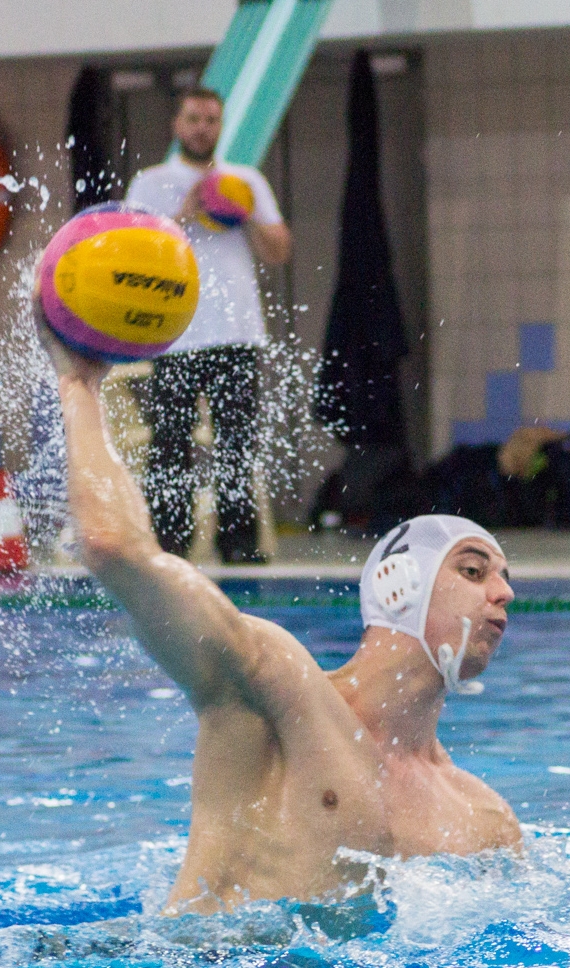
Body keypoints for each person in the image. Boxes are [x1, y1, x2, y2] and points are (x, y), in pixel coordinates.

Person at [47, 332, 521, 914]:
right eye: (474, 571)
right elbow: (114, 548)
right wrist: (80, 386)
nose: (504, 593)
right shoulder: (275, 690)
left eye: (502, 576)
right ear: (401, 586)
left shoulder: (483, 817)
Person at [125, 86, 292, 564]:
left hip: (237, 332)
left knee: (236, 445)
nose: (202, 128)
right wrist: (188, 212)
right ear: (177, 125)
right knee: (169, 445)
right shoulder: (152, 182)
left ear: (221, 127)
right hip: (174, 334)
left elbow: (279, 252)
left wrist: (245, 217)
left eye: (211, 120)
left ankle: (239, 547)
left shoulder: (246, 181)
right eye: (194, 119)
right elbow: (137, 251)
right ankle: (167, 549)